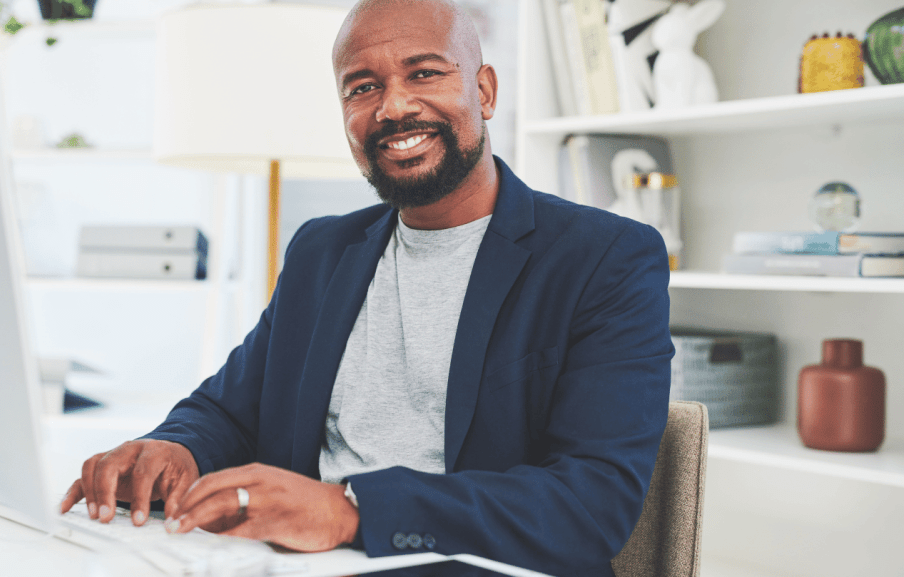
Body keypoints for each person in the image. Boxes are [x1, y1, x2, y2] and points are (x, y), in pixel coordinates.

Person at [59, 0, 674, 574]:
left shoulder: (605, 258)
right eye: (363, 87)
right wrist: (174, 449)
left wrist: (351, 510)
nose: (393, 107)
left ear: (483, 91)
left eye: (425, 73)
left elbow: (591, 503)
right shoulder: (321, 252)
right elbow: (227, 409)